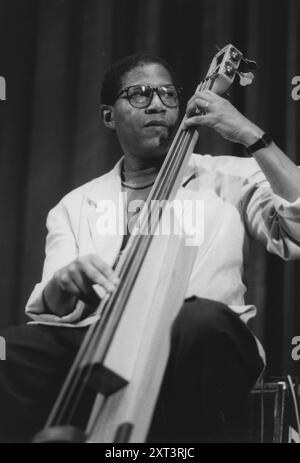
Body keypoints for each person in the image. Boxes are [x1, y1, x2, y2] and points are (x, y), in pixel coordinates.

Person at [1, 52, 300, 443]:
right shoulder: (74, 205)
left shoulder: (232, 176)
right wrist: (64, 283)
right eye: (139, 94)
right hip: (101, 344)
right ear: (109, 116)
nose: (157, 103)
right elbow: (51, 309)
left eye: (167, 94)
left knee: (198, 322)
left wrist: (249, 135)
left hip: (202, 342)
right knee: (15, 349)